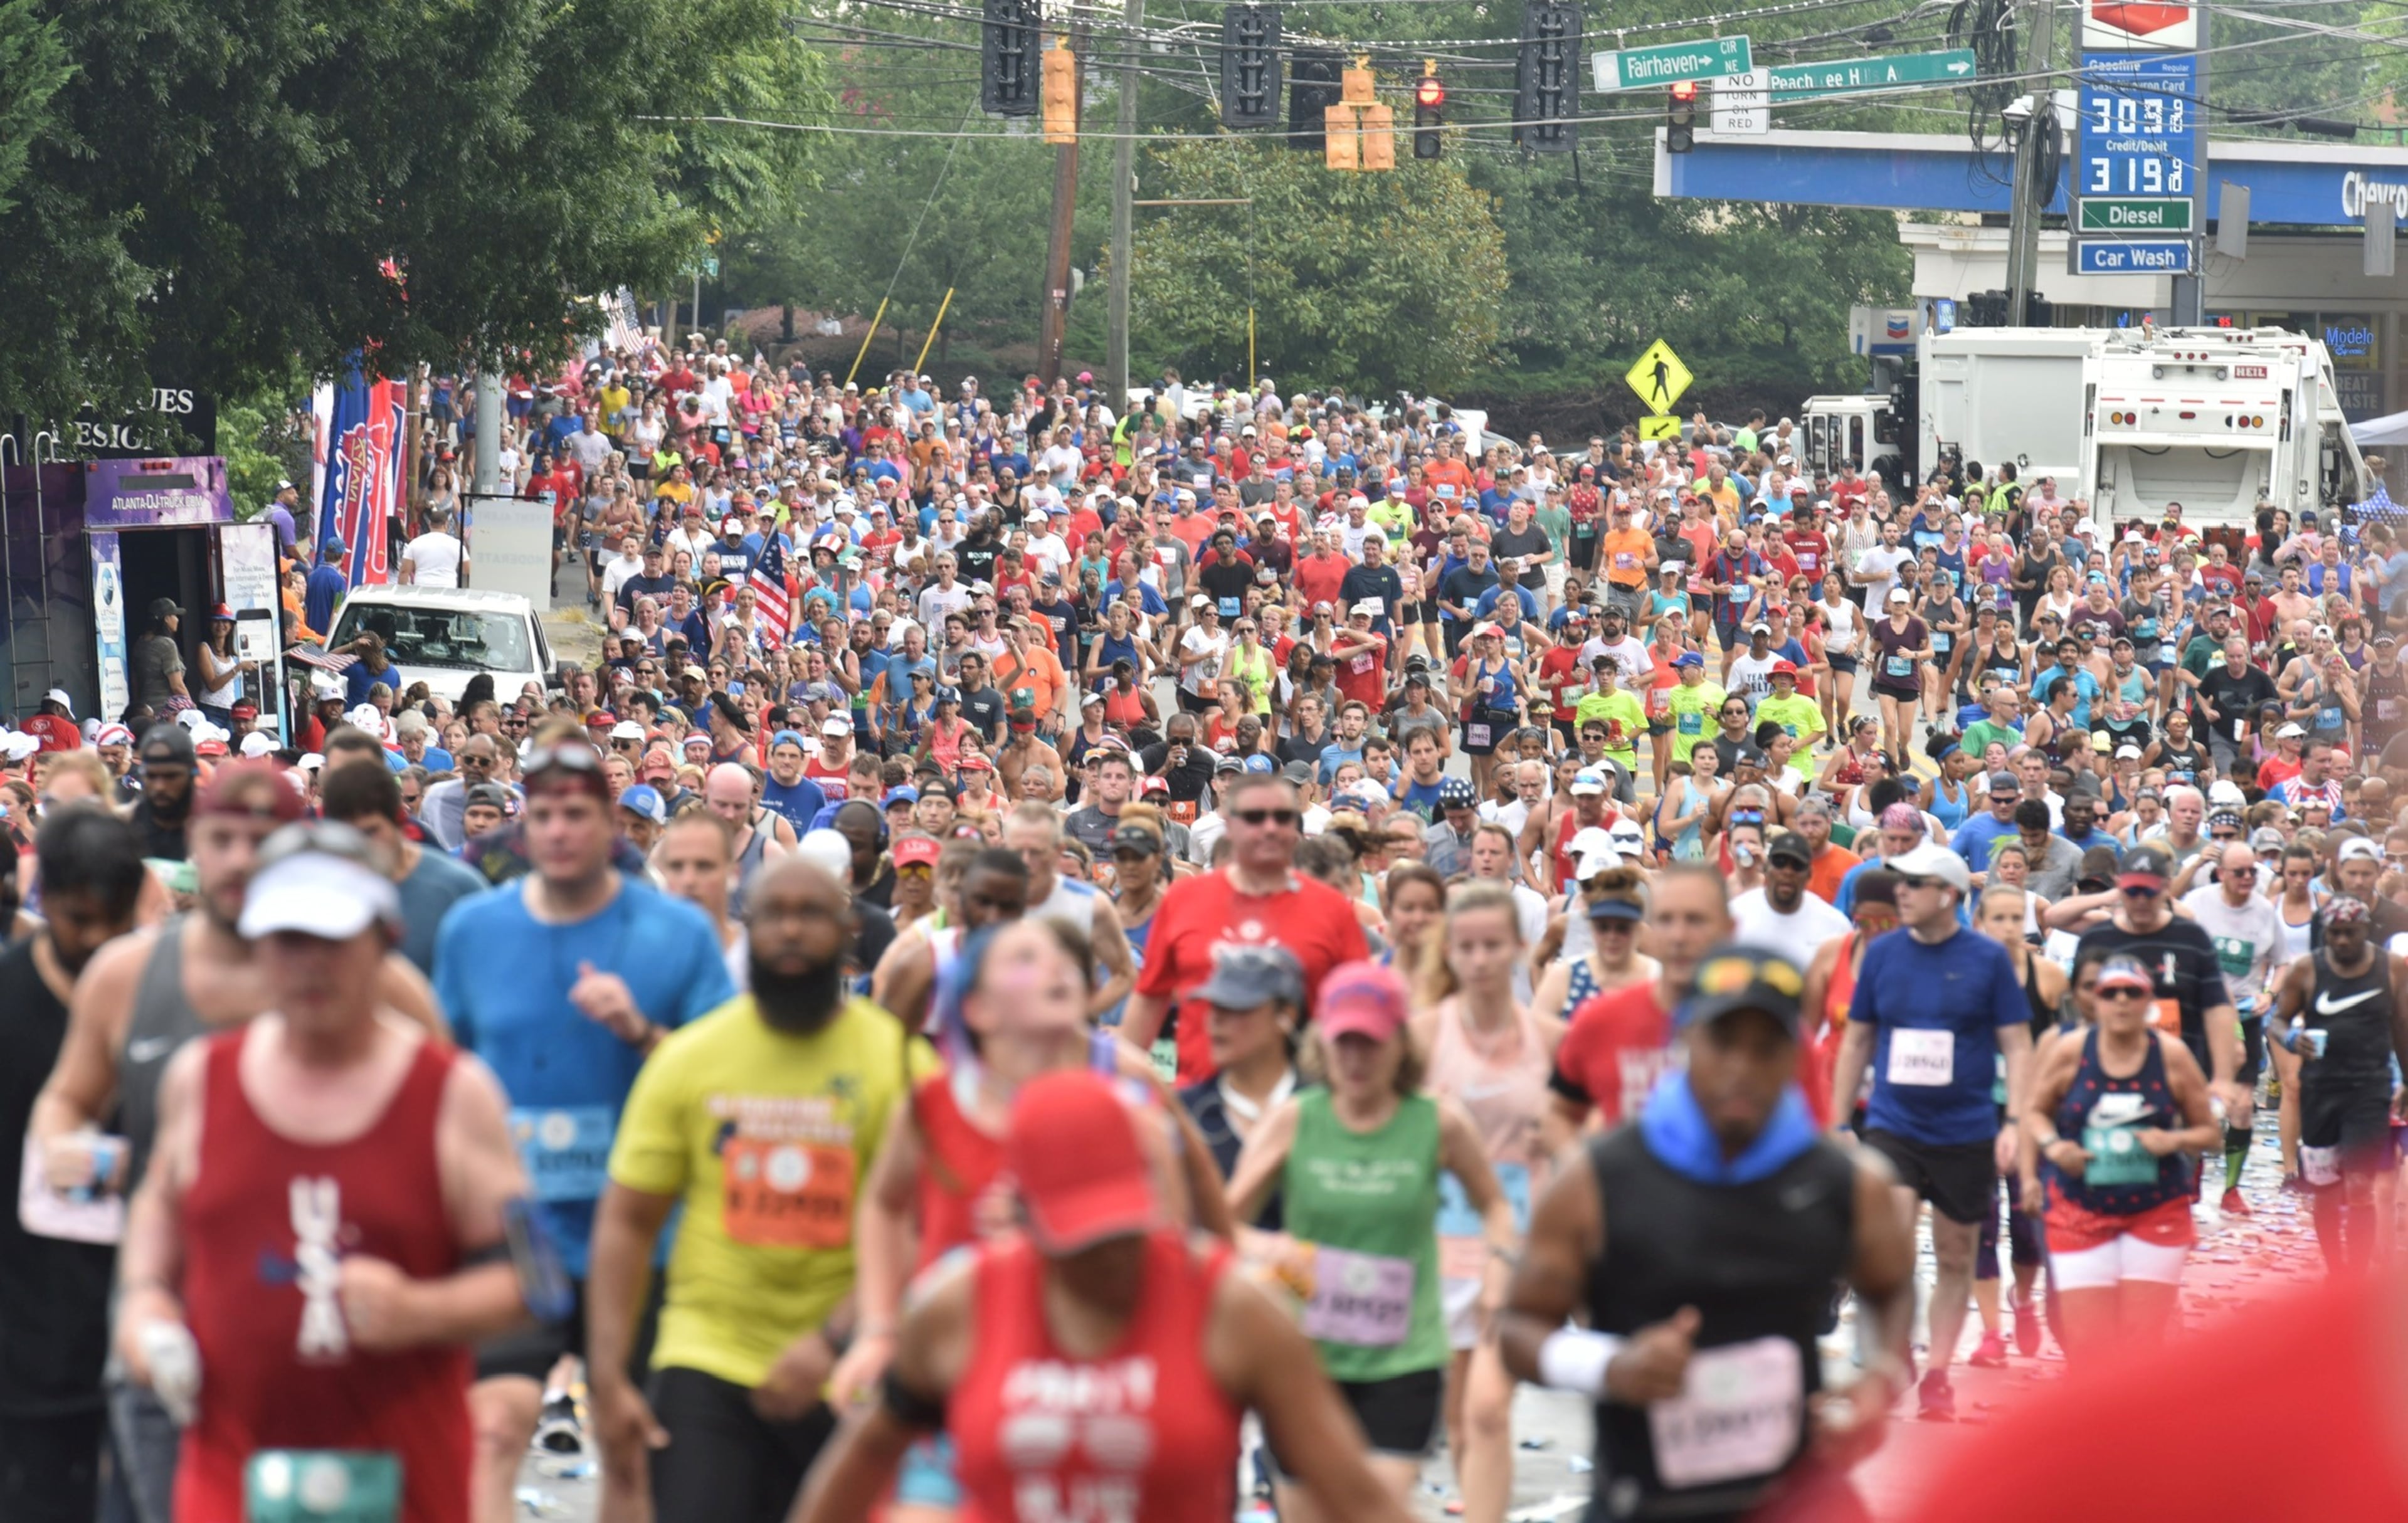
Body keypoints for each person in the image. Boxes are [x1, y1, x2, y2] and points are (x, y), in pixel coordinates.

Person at [30, 764, 443, 1523]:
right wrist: (68, 1149)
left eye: (265, 840)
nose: (242, 859)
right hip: (171, 1335)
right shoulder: (130, 974)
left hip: (332, 1336)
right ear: (193, 843)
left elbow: (452, 1134)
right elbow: (66, 1097)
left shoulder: (377, 982)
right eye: (223, 838)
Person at [112, 823, 530, 1523]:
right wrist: (150, 1329)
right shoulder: (200, 1081)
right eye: (287, 939)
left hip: (407, 1482)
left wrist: (422, 1310)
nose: (310, 963)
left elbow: (537, 1282)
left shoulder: (455, 1093)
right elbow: (149, 1260)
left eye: (332, 938)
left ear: (383, 938)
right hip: (231, 1479)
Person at [789, 1070, 1417, 1523]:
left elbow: (1357, 1497)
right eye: (1082, 1235)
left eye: (1125, 1225)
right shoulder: (958, 1305)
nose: (1112, 1254)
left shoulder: (1231, 1309)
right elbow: (859, 1462)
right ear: (1024, 1215)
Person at [1499, 945, 1916, 1523]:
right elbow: (1519, 1329)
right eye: (1723, 1042)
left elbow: (1891, 1285)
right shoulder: (1600, 1179)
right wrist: (1612, 1366)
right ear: (1685, 1041)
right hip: (1645, 1503)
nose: (1742, 1066)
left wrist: (1880, 1380)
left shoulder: (1841, 1182)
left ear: (1794, 1053)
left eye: (1766, 1047)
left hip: (1793, 1501)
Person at [431, 739, 737, 1523]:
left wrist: (639, 1030)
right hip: (518, 1229)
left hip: (641, 1233)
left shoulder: (677, 934)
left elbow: (721, 1085)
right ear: (524, 830)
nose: (560, 830)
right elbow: (442, 1075)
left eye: (577, 814)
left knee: (630, 1440)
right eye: (544, 816)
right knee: (493, 1429)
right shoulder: (473, 929)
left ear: (611, 823)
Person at [586, 856, 919, 1521]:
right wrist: (609, 1375)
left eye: (811, 914)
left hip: (849, 1367)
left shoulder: (899, 1063)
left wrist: (832, 1338)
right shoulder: (690, 1057)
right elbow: (626, 1221)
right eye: (775, 915)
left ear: (850, 929)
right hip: (706, 1358)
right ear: (747, 927)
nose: (791, 931)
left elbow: (925, 1223)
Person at [1226, 961, 1518, 1523]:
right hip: (1303, 1360)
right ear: (1322, 1044)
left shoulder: (1438, 1122)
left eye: (1371, 1043)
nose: (1356, 1059)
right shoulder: (1294, 1120)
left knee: (1368, 1512)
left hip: (1402, 1358)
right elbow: (1222, 1221)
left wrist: (1498, 1273)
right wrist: (1267, 1249)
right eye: (1345, 1043)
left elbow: (1497, 1206)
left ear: (1399, 1044)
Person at [1827, 838, 2034, 1423]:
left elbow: (2018, 1045)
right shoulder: (1885, 953)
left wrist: (2014, 1120)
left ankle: (1938, 1371)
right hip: (1894, 1124)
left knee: (1955, 1254)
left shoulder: (1987, 959)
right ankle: (1893, 1353)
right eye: (1900, 882)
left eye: (1914, 884)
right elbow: (1858, 1039)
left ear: (1948, 895)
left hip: (1966, 1128)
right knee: (1885, 1243)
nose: (1902, 892)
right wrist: (1840, 1121)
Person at [0, 809, 146, 1523]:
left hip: (144, 1334)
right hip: (26, 1340)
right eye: (76, 918)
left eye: (111, 922)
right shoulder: (8, 999)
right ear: (44, 896)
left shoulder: (166, 998)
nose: (94, 940)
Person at [1408, 883, 1563, 1523]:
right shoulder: (1421, 1036)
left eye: (1492, 945)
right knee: (1460, 1411)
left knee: (1488, 1405)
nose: (1478, 959)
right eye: (1465, 946)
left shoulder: (1552, 1038)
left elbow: (1573, 1138)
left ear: (1519, 947)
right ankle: (1481, 1498)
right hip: (1441, 1242)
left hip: (1519, 1241)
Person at [2020, 951, 2219, 1356]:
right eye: (2112, 993)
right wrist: (2054, 1147)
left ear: (2149, 1001)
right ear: (2095, 999)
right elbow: (2034, 1112)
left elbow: (2211, 1133)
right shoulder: (2071, 1050)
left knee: (2139, 1348)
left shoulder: (2171, 1055)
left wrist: (2175, 1142)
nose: (2122, 1001)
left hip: (2155, 1211)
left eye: (2133, 992)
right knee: (2087, 1348)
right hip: (2080, 1210)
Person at [1120, 774, 1368, 1084]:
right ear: (1230, 826)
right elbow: (1149, 999)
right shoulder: (1183, 900)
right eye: (1254, 817)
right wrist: (1123, 1085)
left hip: (1300, 1106)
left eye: (1282, 817)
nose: (1269, 827)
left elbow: (1358, 1012)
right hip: (1201, 1102)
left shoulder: (1332, 909)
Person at [2059, 843, 2250, 1212]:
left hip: (2176, 1074)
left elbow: (2216, 1007)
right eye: (2132, 892)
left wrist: (2223, 1078)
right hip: (2107, 1074)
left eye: (2149, 892)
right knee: (2109, 1175)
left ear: (2165, 888)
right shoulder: (2099, 939)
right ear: (2119, 888)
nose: (2141, 901)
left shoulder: (2191, 937)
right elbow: (2079, 1012)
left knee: (2167, 1183)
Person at [2263, 896, 2408, 1272]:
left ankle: (2356, 1277)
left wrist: (2407, 1080)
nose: (2342, 941)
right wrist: (2293, 1040)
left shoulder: (2390, 968)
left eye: (2351, 933)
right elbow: (2278, 1021)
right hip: (2321, 1090)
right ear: (2325, 933)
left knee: (2360, 1185)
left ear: (2366, 931)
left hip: (2369, 1090)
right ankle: (2337, 1270)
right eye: (2335, 934)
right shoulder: (2306, 970)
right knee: (2326, 1189)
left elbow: (2402, 1026)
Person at [1546, 864, 1733, 1148]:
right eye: (1666, 921)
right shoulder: (1600, 1019)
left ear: (1729, 930)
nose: (1679, 937)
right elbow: (1558, 1114)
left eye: (1696, 920)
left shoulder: (1763, 1027)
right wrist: (1587, 1178)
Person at [319, 759, 490, 977]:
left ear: (400, 822)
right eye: (347, 836)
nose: (360, 846)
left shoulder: (457, 887)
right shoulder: (318, 895)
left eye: (371, 831)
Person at [1729, 826, 1851, 951]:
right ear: (1766, 868)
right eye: (1780, 863)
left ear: (1809, 873)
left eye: (1797, 865)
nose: (1788, 872)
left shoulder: (1835, 925)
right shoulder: (1735, 915)